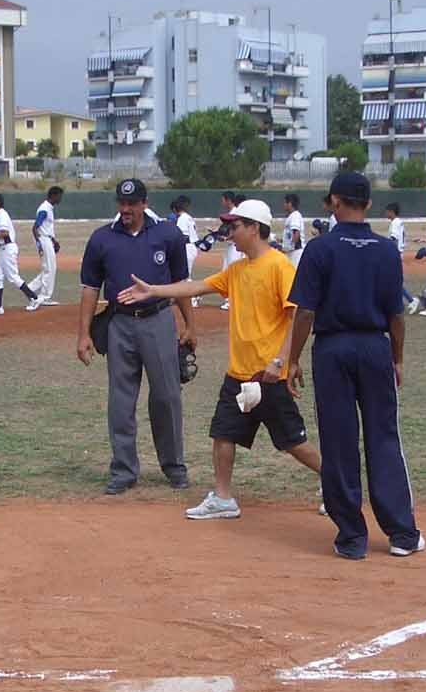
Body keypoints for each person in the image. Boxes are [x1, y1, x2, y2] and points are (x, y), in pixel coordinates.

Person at [118, 197, 323, 520]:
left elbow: (297, 316)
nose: (229, 232)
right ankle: (223, 498)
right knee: (223, 433)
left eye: (235, 226)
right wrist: (154, 291)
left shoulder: (279, 267)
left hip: (268, 374)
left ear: (254, 229)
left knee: (291, 442)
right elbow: (197, 286)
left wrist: (282, 361)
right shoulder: (238, 269)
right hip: (239, 373)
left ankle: (336, 483)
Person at [286, 170, 422, 560]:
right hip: (375, 347)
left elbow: (306, 312)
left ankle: (351, 538)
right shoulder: (385, 250)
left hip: (332, 349)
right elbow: (396, 315)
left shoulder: (320, 249)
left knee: (338, 441)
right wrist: (397, 357)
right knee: (384, 438)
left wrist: (293, 359)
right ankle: (402, 534)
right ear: (368, 205)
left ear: (334, 202)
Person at [76, 178, 195, 494]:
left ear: (144, 202)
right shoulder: (102, 239)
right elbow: (90, 288)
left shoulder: (167, 234)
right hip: (119, 324)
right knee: (120, 399)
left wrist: (190, 325)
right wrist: (83, 334)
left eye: (132, 203)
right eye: (122, 203)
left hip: (158, 320)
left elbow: (182, 282)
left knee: (167, 396)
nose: (126, 209)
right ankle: (124, 470)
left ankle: (174, 467)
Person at [0, 191, 39, 315]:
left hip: (8, 249)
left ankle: (34, 298)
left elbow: (5, 233)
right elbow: (0, 236)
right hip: (1, 249)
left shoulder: (2, 214)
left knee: (13, 277)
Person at [31, 186, 64, 306]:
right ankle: (44, 296)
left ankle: (29, 289)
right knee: (49, 269)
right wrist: (39, 245)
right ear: (53, 196)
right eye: (59, 196)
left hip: (47, 240)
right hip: (43, 240)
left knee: (49, 269)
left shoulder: (49, 208)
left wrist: (54, 241)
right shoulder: (44, 209)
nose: (60, 199)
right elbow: (35, 228)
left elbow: (47, 228)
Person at [171, 196, 201, 305]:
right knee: (185, 275)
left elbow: (183, 236)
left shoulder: (182, 218)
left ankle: (193, 298)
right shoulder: (188, 217)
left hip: (187, 248)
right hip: (190, 247)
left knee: (185, 276)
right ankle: (192, 296)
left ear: (175, 209)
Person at [217, 190, 241, 309]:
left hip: (236, 247)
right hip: (230, 246)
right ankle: (229, 299)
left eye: (223, 199)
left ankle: (233, 301)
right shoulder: (231, 213)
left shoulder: (236, 213)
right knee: (226, 272)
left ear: (228, 200)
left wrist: (226, 237)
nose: (222, 202)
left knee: (233, 273)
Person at [280, 193, 306, 266]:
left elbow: (296, 233)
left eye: (285, 202)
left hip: (296, 252)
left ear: (290, 204)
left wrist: (290, 247)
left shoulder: (295, 215)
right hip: (293, 252)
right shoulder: (292, 216)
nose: (283, 205)